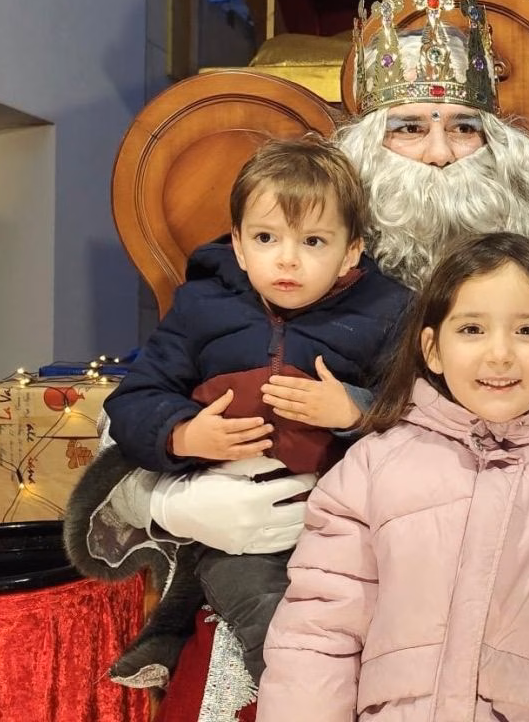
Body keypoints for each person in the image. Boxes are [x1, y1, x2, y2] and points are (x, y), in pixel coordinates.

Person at [75, 0, 529, 719]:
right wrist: (176, 505)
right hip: (303, 625)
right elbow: (127, 418)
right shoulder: (272, 282)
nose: (440, 154)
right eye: (408, 127)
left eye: (463, 128)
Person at [258, 231, 529, 720]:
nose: (500, 354)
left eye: (527, 331)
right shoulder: (371, 468)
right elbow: (317, 635)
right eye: (471, 330)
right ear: (433, 349)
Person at [65, 135, 410, 688]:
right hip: (226, 520)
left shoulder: (386, 312)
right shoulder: (204, 307)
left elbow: (416, 408)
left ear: (351, 252)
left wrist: (353, 410)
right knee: (266, 615)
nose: (288, 259)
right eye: (266, 238)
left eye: (314, 241)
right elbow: (134, 400)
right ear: (240, 245)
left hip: (340, 518)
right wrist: (182, 435)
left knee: (372, 609)